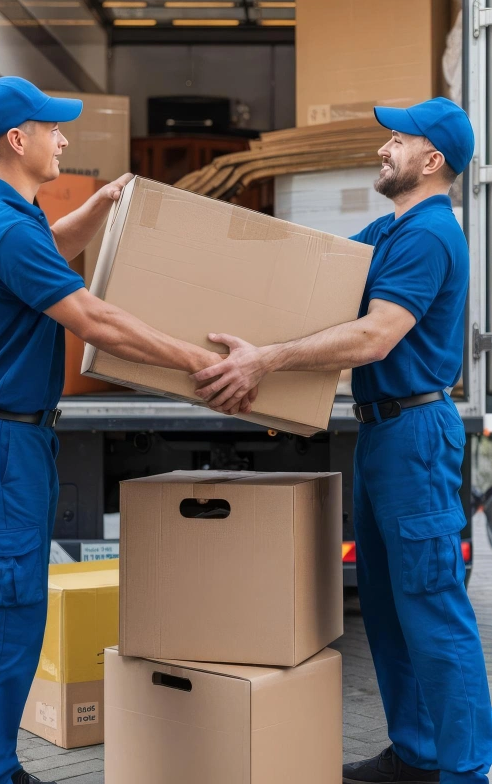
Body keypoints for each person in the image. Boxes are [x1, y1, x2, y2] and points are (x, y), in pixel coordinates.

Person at [0, 76, 250, 784]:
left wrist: (101, 204)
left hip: (13, 438)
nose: (63, 139)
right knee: (4, 614)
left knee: (16, 609)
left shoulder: (4, 215)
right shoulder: (1, 227)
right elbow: (97, 320)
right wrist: (201, 365)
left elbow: (51, 246)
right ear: (18, 140)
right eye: (53, 128)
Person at [193, 97, 492, 784]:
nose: (382, 149)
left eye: (396, 139)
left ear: (431, 158)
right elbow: (312, 267)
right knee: (387, 606)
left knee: (432, 606)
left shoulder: (426, 235)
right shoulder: (390, 230)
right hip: (381, 433)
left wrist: (263, 359)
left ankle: (466, 770)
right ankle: (416, 753)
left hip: (414, 434)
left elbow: (373, 333)